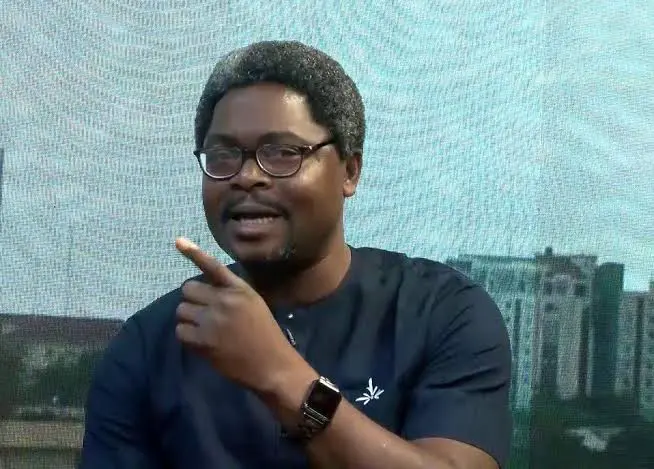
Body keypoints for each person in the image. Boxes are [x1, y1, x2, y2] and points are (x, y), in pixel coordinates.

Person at [79, 40, 511, 469]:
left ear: (349, 170)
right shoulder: (150, 344)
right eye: (224, 155)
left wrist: (281, 375)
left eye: (283, 153)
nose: (247, 177)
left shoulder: (443, 313)